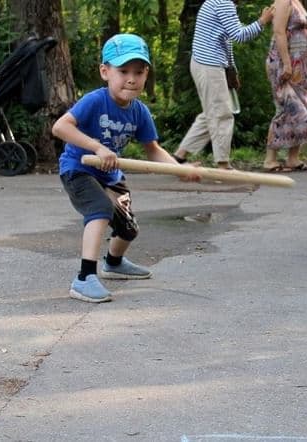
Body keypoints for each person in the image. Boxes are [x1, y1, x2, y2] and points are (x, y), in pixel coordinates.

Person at [53, 34, 195, 303]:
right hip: (79, 168)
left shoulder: (139, 111)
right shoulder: (95, 101)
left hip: (110, 174)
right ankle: (84, 278)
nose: (131, 78)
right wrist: (96, 147)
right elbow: (60, 127)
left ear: (146, 75)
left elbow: (153, 150)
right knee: (100, 209)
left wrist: (179, 170)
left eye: (138, 72)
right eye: (123, 71)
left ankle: (114, 263)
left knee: (128, 227)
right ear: (105, 72)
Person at [173, 0, 274, 170]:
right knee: (222, 114)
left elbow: (226, 40)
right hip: (209, 65)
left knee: (211, 113)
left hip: (205, 63)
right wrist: (262, 21)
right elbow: (239, 35)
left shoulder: (218, 2)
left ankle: (179, 157)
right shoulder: (223, 3)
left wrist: (231, 69)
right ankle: (222, 164)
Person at [262, 0, 307, 172]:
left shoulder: (296, 2)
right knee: (286, 108)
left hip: (302, 66)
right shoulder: (283, 1)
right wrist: (286, 63)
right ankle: (270, 159)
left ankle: (293, 158)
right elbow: (279, 32)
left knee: (304, 104)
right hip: (285, 63)